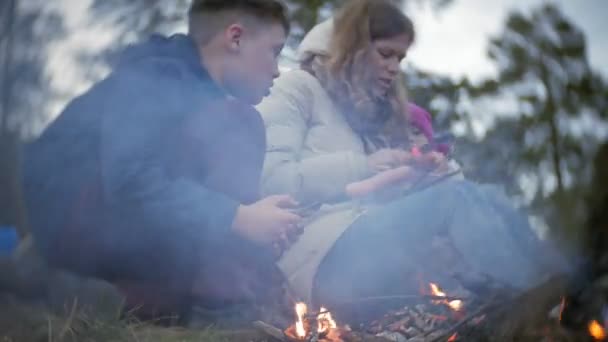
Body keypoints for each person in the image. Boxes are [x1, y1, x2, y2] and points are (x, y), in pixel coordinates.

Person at [257, 0, 558, 320]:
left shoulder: (365, 111)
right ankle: (535, 306)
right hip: (321, 261)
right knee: (454, 199)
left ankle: (560, 295)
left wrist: (424, 174)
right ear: (352, 48)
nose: (395, 67)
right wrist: (365, 166)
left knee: (489, 195)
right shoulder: (295, 88)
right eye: (385, 54)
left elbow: (379, 200)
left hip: (367, 248)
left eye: (400, 58)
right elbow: (271, 181)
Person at [22, 0, 300, 320]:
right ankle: (70, 283)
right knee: (236, 121)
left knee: (239, 123)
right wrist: (238, 218)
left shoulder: (201, 99)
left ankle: (198, 290)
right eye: (274, 51)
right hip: (72, 226)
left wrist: (259, 236)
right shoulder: (153, 79)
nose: (277, 69)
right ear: (235, 38)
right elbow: (129, 182)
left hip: (129, 232)